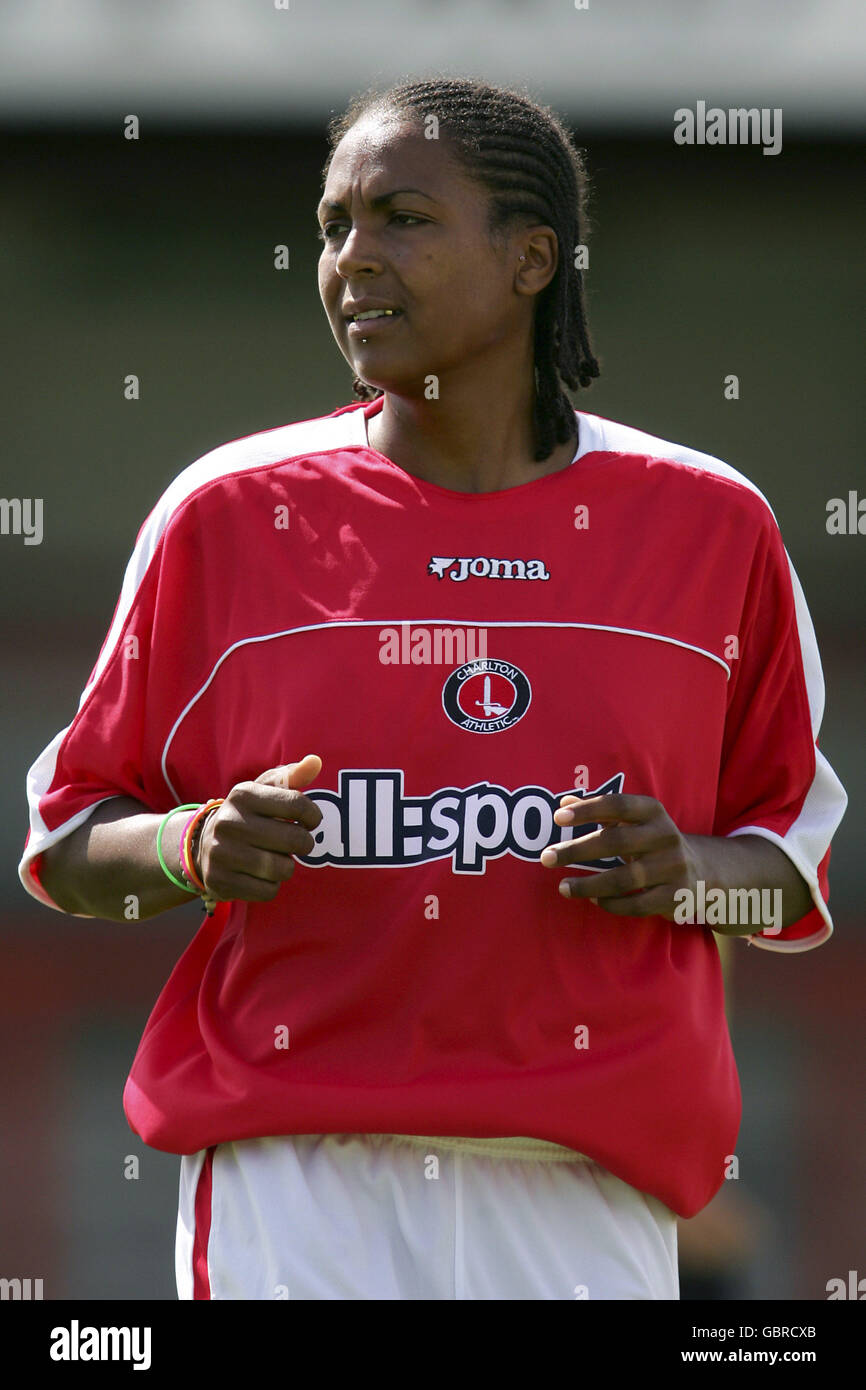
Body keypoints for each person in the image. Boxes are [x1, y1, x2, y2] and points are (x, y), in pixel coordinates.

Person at [19, 77, 847, 1301]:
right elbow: (69, 836)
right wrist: (193, 844)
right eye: (332, 226)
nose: (352, 259)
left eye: (401, 217)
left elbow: (784, 853)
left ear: (529, 258)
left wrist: (683, 869)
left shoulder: (710, 525)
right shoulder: (226, 514)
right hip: (294, 1183)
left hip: (588, 1193)